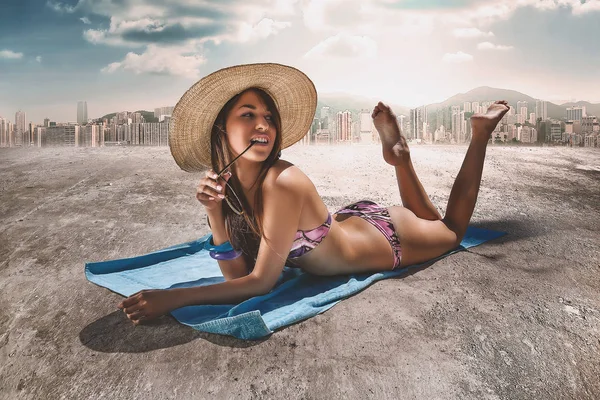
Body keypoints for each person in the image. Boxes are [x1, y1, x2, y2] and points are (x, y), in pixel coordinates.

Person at [118, 63, 509, 325]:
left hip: (386, 239)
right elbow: (237, 273)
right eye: (248, 114)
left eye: (269, 117)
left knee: (452, 230)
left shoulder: (284, 181)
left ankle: (478, 135)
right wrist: (216, 214)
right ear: (222, 128)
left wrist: (175, 299)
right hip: (351, 221)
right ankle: (400, 157)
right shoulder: (229, 186)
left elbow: (258, 283)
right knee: (432, 220)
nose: (263, 124)